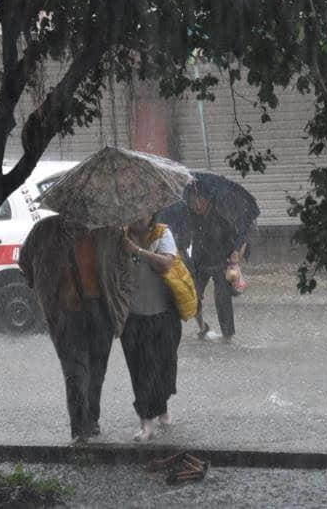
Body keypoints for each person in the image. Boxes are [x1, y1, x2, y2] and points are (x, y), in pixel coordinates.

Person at [19, 215, 132, 443]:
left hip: (102, 310)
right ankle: (79, 429)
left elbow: (125, 267)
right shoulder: (46, 230)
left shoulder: (110, 232)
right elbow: (25, 261)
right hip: (66, 312)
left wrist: (122, 298)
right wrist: (45, 290)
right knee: (75, 373)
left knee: (97, 371)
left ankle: (91, 420)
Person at [158, 171, 259, 342]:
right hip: (199, 262)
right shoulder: (189, 215)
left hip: (221, 262)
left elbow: (239, 236)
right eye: (190, 201)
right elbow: (184, 238)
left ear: (206, 199)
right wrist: (180, 252)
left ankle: (227, 335)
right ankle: (202, 327)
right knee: (192, 295)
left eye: (196, 201)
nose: (193, 205)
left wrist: (236, 252)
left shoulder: (222, 215)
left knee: (222, 299)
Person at [121, 212, 183, 442]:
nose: (137, 215)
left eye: (143, 210)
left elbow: (167, 262)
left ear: (151, 212)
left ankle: (162, 406)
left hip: (164, 316)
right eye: (133, 209)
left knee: (164, 367)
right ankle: (146, 422)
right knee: (140, 371)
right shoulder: (121, 236)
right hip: (134, 318)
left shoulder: (162, 233)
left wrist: (137, 251)